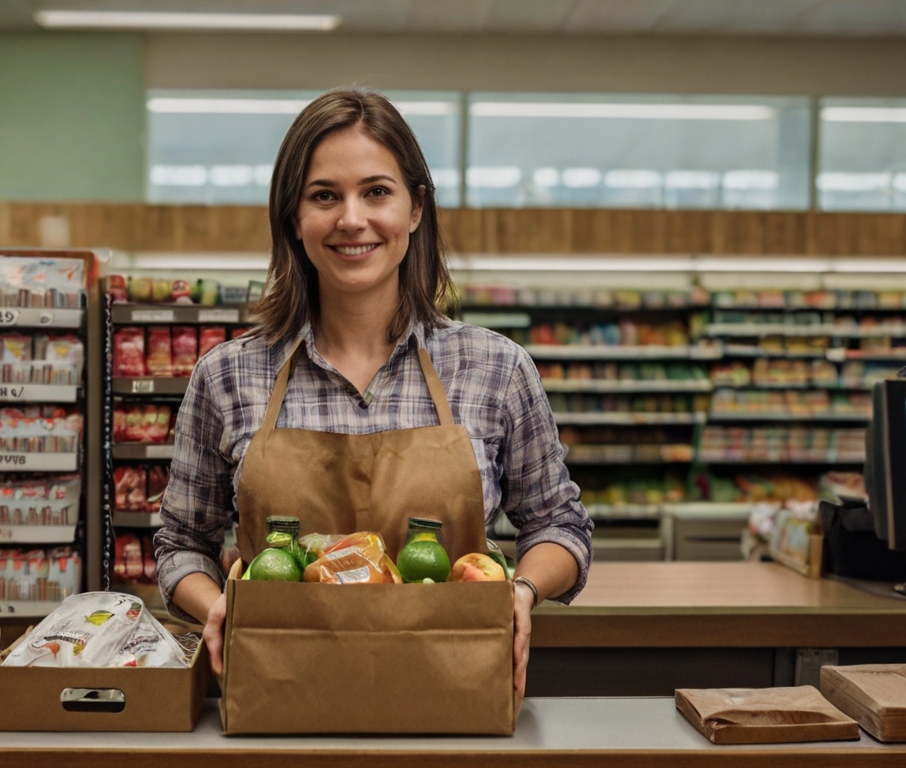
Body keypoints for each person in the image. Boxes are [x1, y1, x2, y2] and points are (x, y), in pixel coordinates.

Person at [152, 87, 593, 696]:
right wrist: (215, 605)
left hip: (451, 707)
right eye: (324, 196)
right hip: (278, 708)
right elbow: (181, 544)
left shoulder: (495, 368)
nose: (351, 219)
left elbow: (560, 526)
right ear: (293, 218)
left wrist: (520, 591)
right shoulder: (227, 375)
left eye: (376, 192)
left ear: (415, 209)